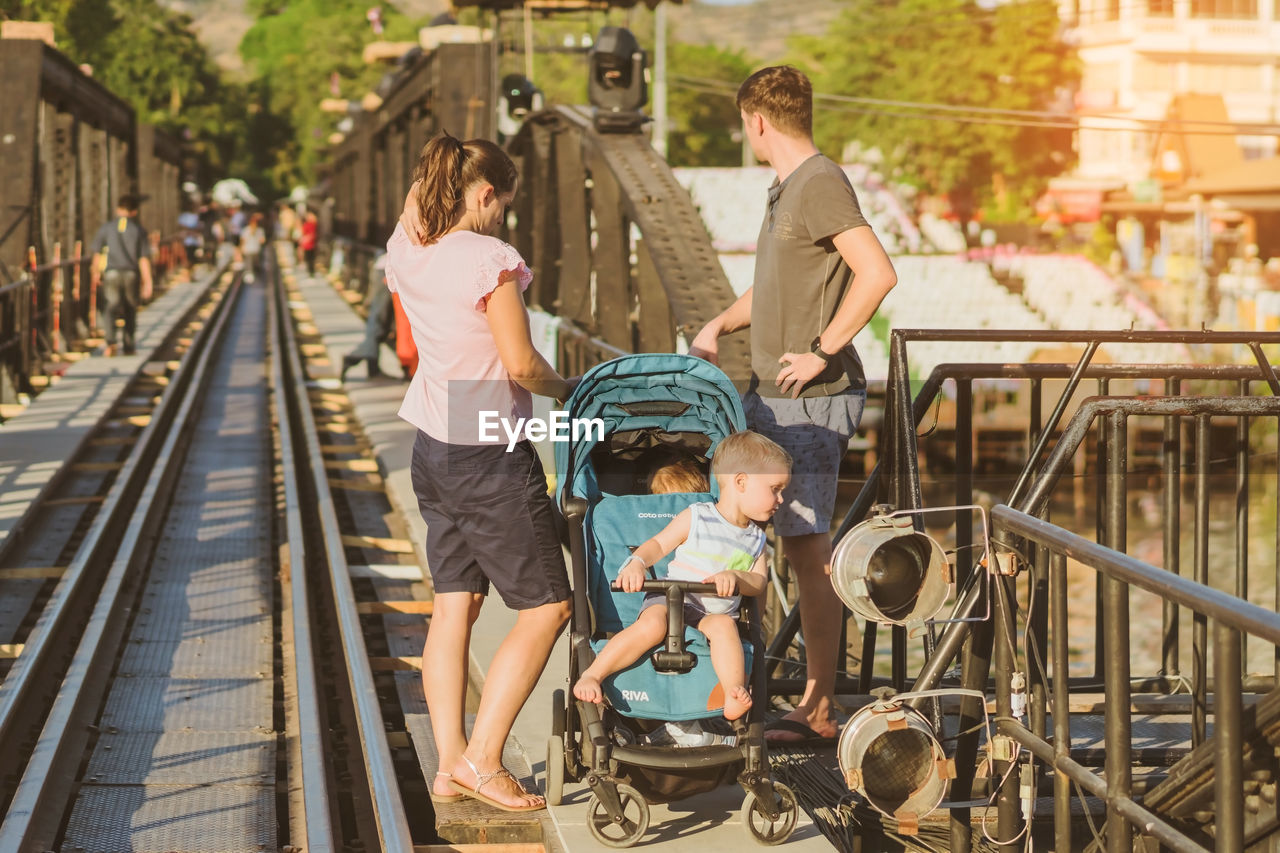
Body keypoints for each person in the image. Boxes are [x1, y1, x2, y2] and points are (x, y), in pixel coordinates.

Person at [689, 65, 898, 745]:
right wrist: (720, 324)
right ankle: (762, 687)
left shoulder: (818, 183)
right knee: (774, 543)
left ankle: (818, 706)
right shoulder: (787, 190)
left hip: (809, 400)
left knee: (809, 552)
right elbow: (775, 291)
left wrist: (824, 349)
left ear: (756, 121)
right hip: (774, 398)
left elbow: (878, 271)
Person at [387, 131, 573, 812]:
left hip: (433, 444)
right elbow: (522, 363)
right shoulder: (489, 259)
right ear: (486, 193)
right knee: (548, 606)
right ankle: (486, 759)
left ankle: (448, 763)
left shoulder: (411, 249)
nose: (504, 221)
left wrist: (444, 165)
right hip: (488, 451)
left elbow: (414, 205)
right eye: (502, 205)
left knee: (453, 605)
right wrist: (571, 390)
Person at [572, 431, 792, 725]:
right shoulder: (698, 515)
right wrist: (637, 562)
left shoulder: (756, 538)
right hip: (671, 598)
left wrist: (737, 577)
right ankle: (593, 674)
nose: (781, 499)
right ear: (741, 482)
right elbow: (659, 545)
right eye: (775, 489)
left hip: (710, 613)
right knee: (651, 625)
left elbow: (758, 582)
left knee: (725, 627)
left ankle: (732, 693)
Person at [89, 193, 153, 357]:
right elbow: (143, 258)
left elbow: (97, 252)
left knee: (111, 307)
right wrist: (148, 281)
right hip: (131, 273)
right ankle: (129, 346)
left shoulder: (106, 228)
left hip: (111, 272)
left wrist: (96, 272)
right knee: (130, 308)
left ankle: (110, 343)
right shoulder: (139, 230)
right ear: (135, 212)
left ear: (118, 209)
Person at [239, 212, 265, 284]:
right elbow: (242, 240)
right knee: (248, 265)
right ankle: (249, 279)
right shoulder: (246, 230)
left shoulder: (260, 230)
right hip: (248, 250)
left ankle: (256, 278)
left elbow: (262, 241)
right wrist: (241, 249)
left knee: (255, 264)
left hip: (256, 250)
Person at [298, 210, 318, 275]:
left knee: (311, 259)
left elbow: (313, 234)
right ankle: (310, 271)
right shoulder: (307, 224)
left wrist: (307, 238)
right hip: (308, 244)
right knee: (308, 258)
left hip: (311, 244)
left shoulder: (313, 224)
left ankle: (311, 271)